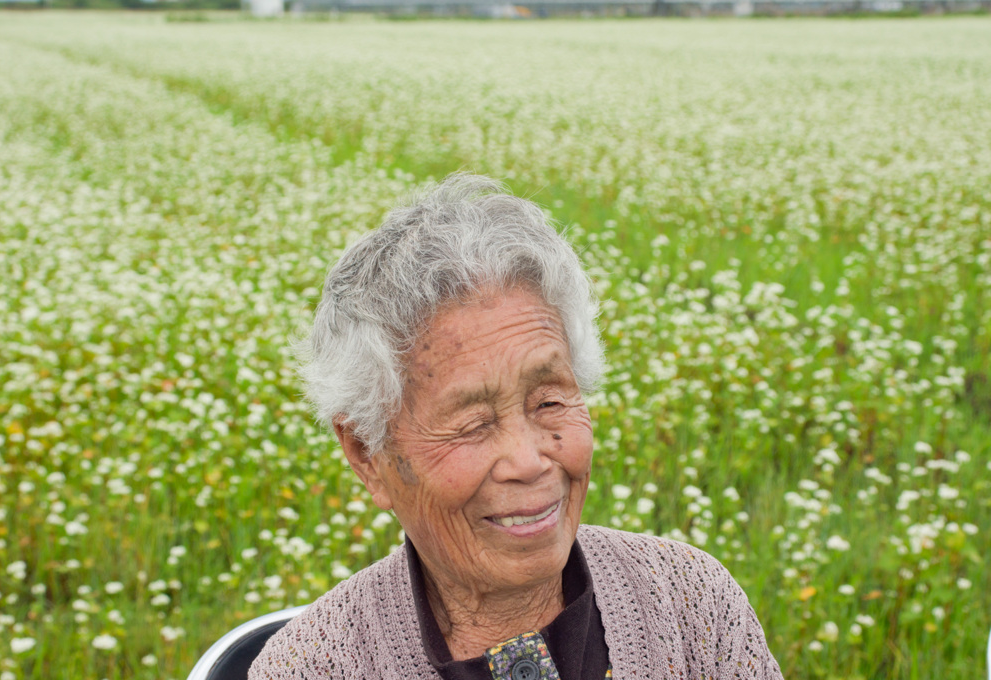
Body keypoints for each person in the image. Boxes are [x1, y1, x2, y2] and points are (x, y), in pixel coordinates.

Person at [249, 174, 783, 680]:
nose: (529, 462)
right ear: (368, 455)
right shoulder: (310, 667)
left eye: (550, 401)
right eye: (473, 424)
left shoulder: (694, 604)